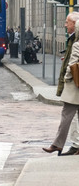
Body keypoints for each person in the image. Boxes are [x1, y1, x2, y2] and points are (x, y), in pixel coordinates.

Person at [43, 13, 79, 156]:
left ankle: (57, 145)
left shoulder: (77, 44)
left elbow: (72, 64)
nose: (65, 25)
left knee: (66, 115)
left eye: (67, 23)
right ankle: (74, 146)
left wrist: (66, 79)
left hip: (74, 86)